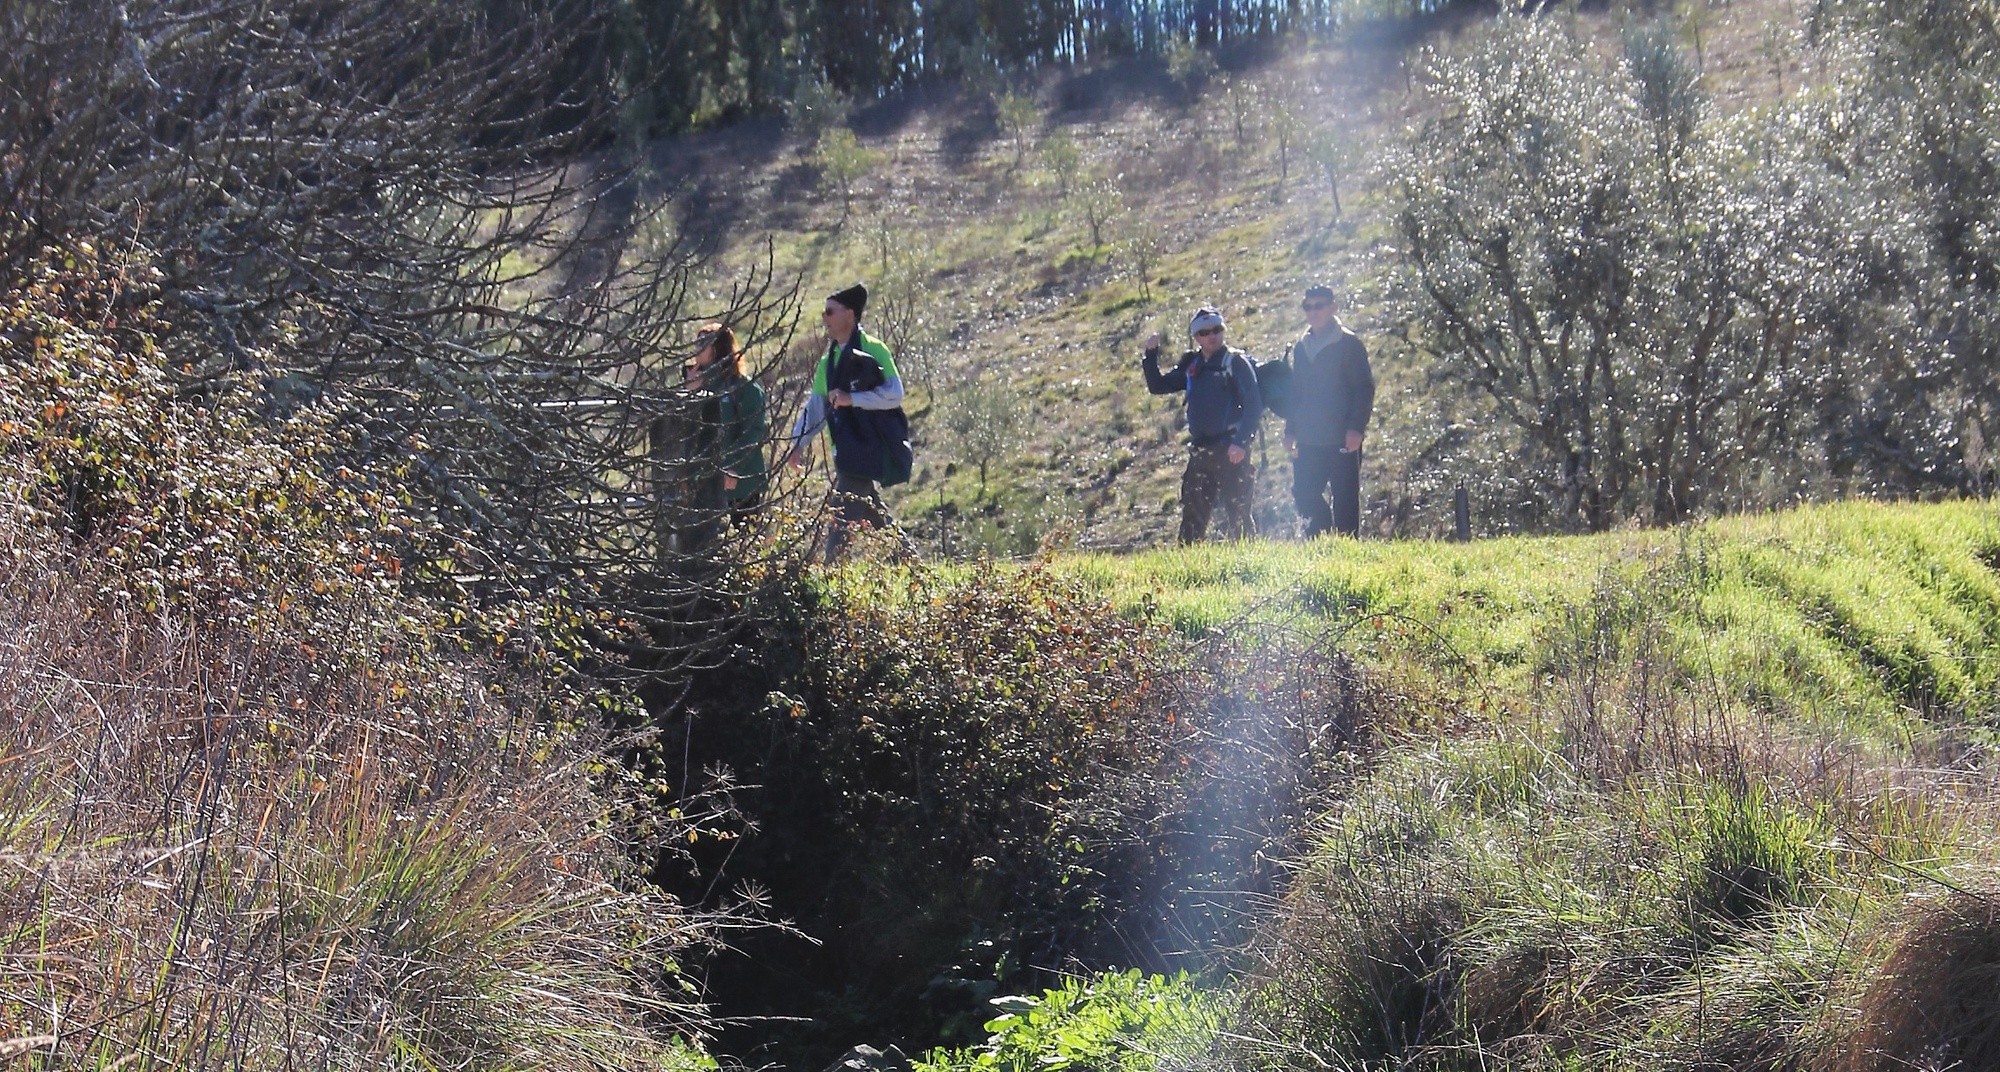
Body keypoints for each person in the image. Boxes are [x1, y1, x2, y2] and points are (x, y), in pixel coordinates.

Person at [787, 283, 910, 558]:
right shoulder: (827, 362)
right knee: (875, 515)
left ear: (850, 315)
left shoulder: (875, 349)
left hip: (868, 449)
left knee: (841, 517)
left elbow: (895, 394)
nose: (824, 318)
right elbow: (816, 407)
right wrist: (797, 444)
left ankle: (829, 577)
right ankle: (911, 562)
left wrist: (852, 399)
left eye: (830, 311)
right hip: (846, 450)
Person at [1142, 306, 1264, 544]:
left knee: (1238, 516)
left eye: (1217, 330)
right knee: (1192, 518)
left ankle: (1251, 566)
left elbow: (1254, 405)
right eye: (1206, 332)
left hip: (1232, 451)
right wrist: (1150, 355)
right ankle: (1188, 571)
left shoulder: (1235, 362)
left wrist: (1241, 442)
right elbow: (1158, 386)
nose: (1213, 336)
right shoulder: (1192, 365)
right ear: (1196, 337)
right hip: (1200, 452)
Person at [1282, 285, 1375, 538]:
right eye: (1308, 307)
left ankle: (1347, 554)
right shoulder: (1301, 347)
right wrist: (1290, 429)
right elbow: (1296, 392)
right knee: (1303, 493)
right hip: (1308, 438)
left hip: (1342, 437)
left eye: (1319, 306)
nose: (1313, 312)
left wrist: (1356, 428)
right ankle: (1321, 543)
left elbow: (1364, 388)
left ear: (1332, 307)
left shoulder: (1349, 344)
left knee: (1345, 500)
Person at [687, 321, 769, 527]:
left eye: (702, 345)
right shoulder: (696, 383)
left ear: (716, 349)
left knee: (745, 539)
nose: (696, 350)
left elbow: (753, 431)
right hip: (703, 482)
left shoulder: (744, 387)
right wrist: (689, 392)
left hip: (741, 483)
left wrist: (733, 467)